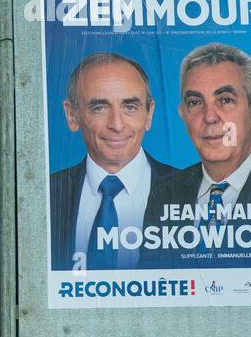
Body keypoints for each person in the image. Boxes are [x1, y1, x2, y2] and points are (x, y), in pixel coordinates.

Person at [142, 42, 251, 265]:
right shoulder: (164, 193)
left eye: (225, 100)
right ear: (183, 115)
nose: (209, 117)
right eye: (195, 102)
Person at [49, 52, 174, 271]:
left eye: (130, 107)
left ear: (149, 114)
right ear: (72, 115)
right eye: (100, 107)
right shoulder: (45, 195)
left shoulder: (196, 193)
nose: (116, 124)